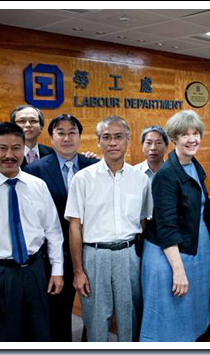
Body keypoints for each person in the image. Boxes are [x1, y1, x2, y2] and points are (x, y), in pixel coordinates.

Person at [0, 122, 64, 341]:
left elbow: (53, 231)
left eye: (16, 148)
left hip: (36, 271)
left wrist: (57, 269)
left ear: (24, 149)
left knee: (39, 334)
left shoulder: (38, 186)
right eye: (2, 148)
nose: (9, 155)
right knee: (3, 338)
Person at [65, 116, 152, 342]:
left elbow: (144, 222)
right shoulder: (82, 178)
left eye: (118, 137)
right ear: (98, 142)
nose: (112, 142)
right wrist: (78, 271)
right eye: (106, 137)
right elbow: (75, 227)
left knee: (129, 318)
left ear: (127, 140)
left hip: (129, 255)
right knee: (96, 319)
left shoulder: (140, 179)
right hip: (94, 256)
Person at [24, 114, 99, 341]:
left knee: (95, 311)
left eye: (72, 132)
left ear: (79, 136)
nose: (67, 138)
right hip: (55, 255)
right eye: (60, 133)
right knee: (58, 313)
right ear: (51, 137)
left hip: (93, 250)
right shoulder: (34, 171)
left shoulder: (94, 166)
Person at [140, 110, 210, 342]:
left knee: (192, 313)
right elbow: (166, 227)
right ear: (174, 138)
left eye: (195, 133)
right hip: (171, 255)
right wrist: (178, 271)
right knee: (167, 319)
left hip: (195, 250)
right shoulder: (167, 174)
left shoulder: (193, 164)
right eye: (185, 134)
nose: (192, 139)